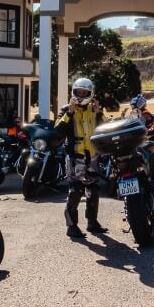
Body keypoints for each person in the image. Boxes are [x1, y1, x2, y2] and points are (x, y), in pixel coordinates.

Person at [56, 78, 107, 239]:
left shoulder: (94, 109)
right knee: (76, 190)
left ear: (91, 93)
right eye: (79, 92)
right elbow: (57, 131)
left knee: (93, 189)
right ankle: (71, 227)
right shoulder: (66, 109)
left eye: (85, 92)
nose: (82, 95)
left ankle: (92, 222)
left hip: (92, 156)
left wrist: (99, 113)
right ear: (74, 92)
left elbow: (105, 128)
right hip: (75, 156)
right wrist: (69, 114)